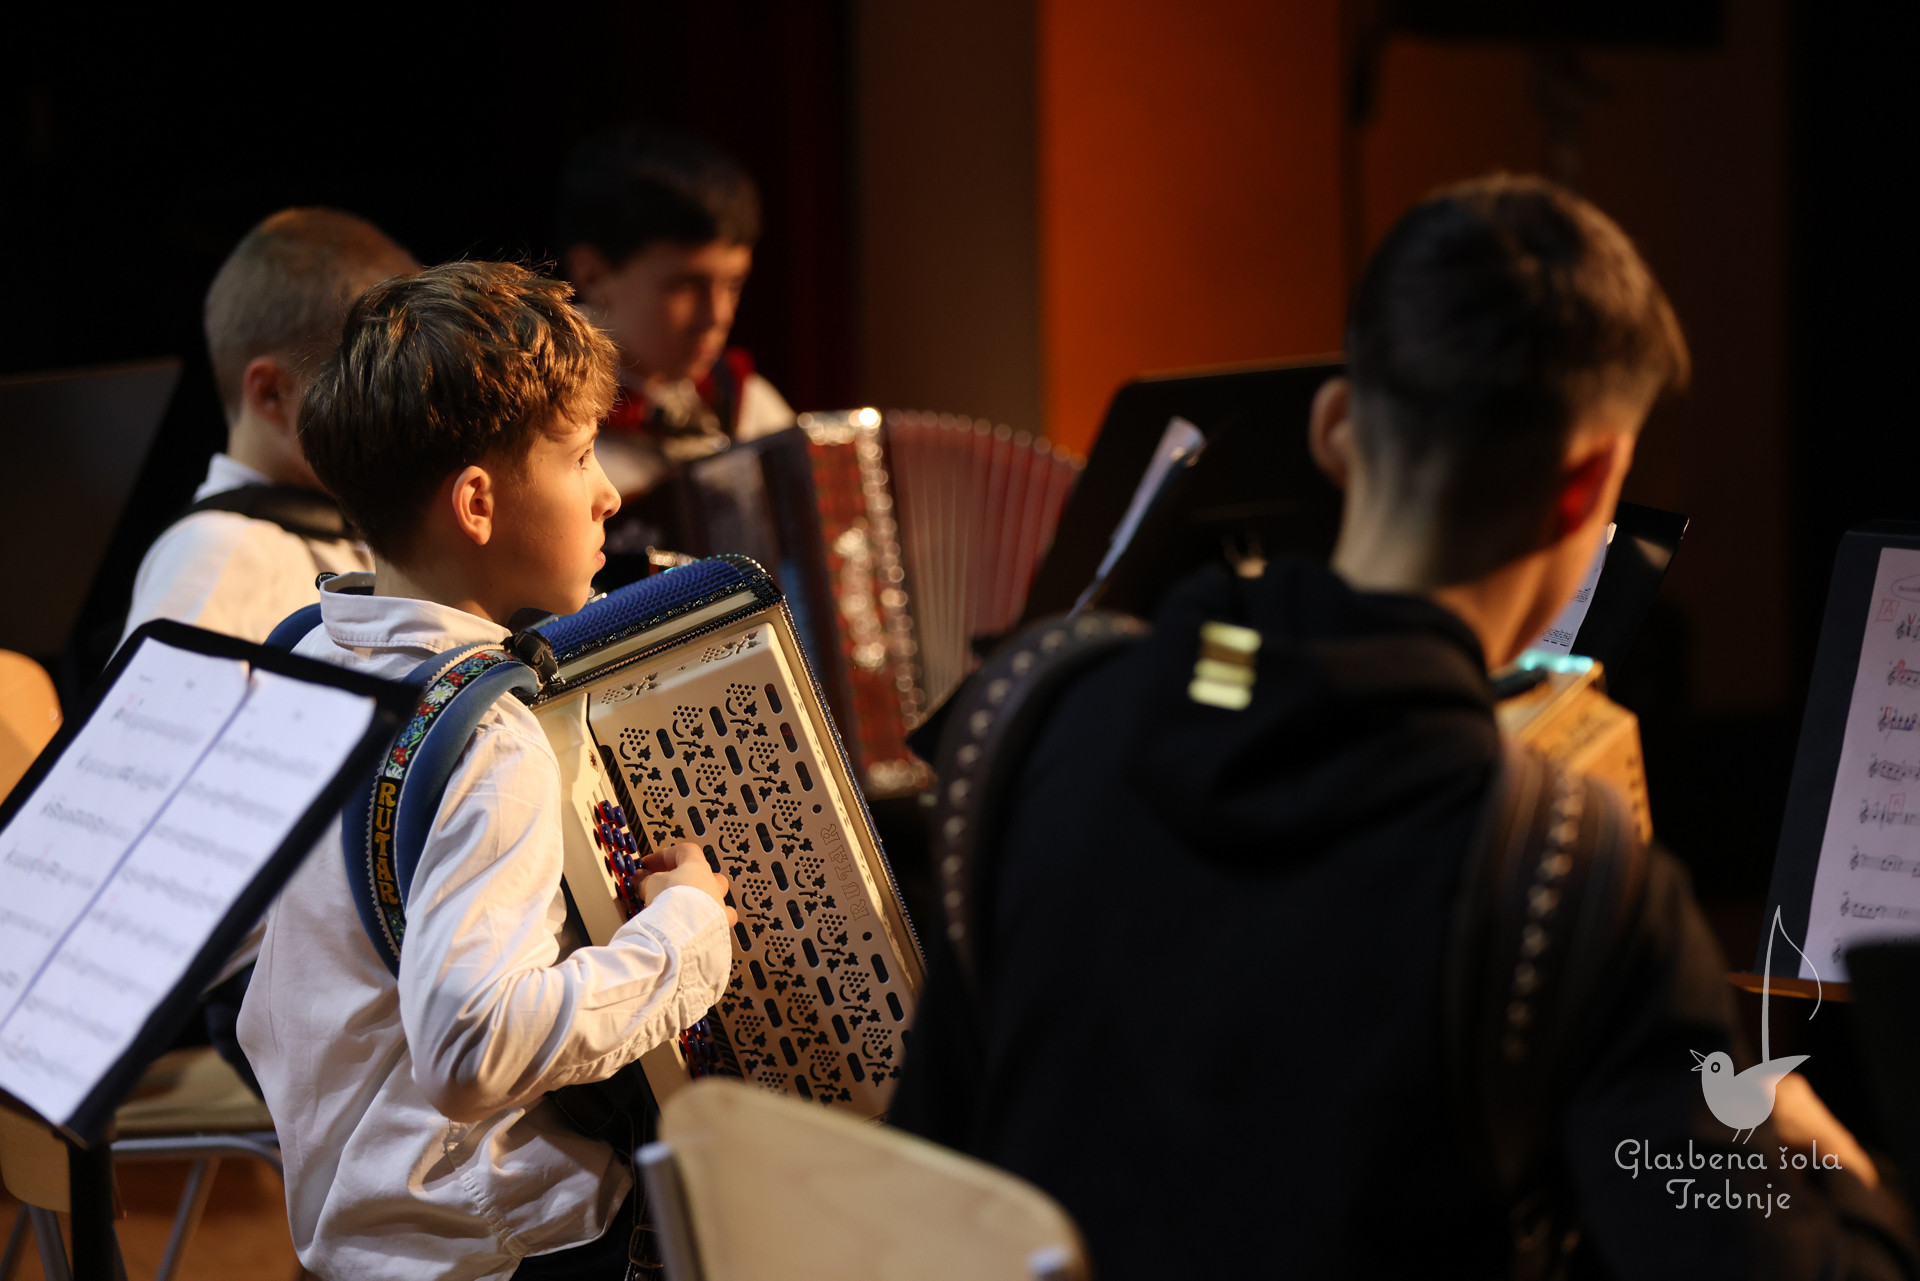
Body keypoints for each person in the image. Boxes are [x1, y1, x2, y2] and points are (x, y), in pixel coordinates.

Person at [889, 176, 1916, 1279]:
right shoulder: (1566, 873)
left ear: (1335, 429)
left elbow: (926, 1171)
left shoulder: (1035, 713)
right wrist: (1826, 1169)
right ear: (1585, 492)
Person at [237, 260, 736, 1280]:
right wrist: (685, 934)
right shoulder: (490, 738)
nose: (608, 495)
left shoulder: (308, 656)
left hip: (358, 1219)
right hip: (509, 1241)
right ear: (476, 502)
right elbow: (471, 1050)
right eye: (582, 456)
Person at [122, 207, 418, 644]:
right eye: (370, 384)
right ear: (271, 393)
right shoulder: (219, 552)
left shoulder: (363, 531)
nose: (401, 412)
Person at [556, 126, 793, 554]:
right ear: (592, 274)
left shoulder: (751, 408)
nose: (718, 316)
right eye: (685, 286)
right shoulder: (542, 420)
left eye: (734, 284)